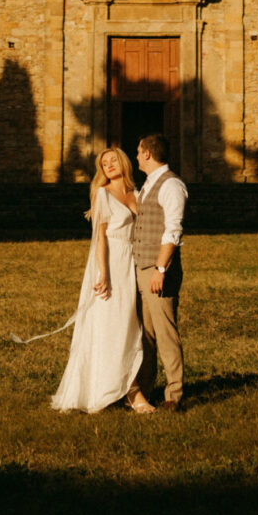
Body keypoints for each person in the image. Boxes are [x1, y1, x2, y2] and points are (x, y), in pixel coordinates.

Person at [51, 147, 144, 413]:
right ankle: (121, 391)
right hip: (111, 262)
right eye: (104, 163)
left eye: (113, 160)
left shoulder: (136, 194)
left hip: (130, 261)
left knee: (128, 323)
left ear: (123, 163)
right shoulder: (102, 194)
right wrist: (102, 273)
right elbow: (99, 237)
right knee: (109, 323)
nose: (109, 165)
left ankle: (124, 384)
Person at [128, 132, 187, 414]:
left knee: (165, 333)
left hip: (158, 268)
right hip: (143, 267)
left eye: (139, 151)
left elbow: (173, 231)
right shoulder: (150, 183)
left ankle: (174, 394)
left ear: (148, 154)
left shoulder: (171, 185)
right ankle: (147, 389)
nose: (136, 156)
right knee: (146, 335)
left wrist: (160, 269)